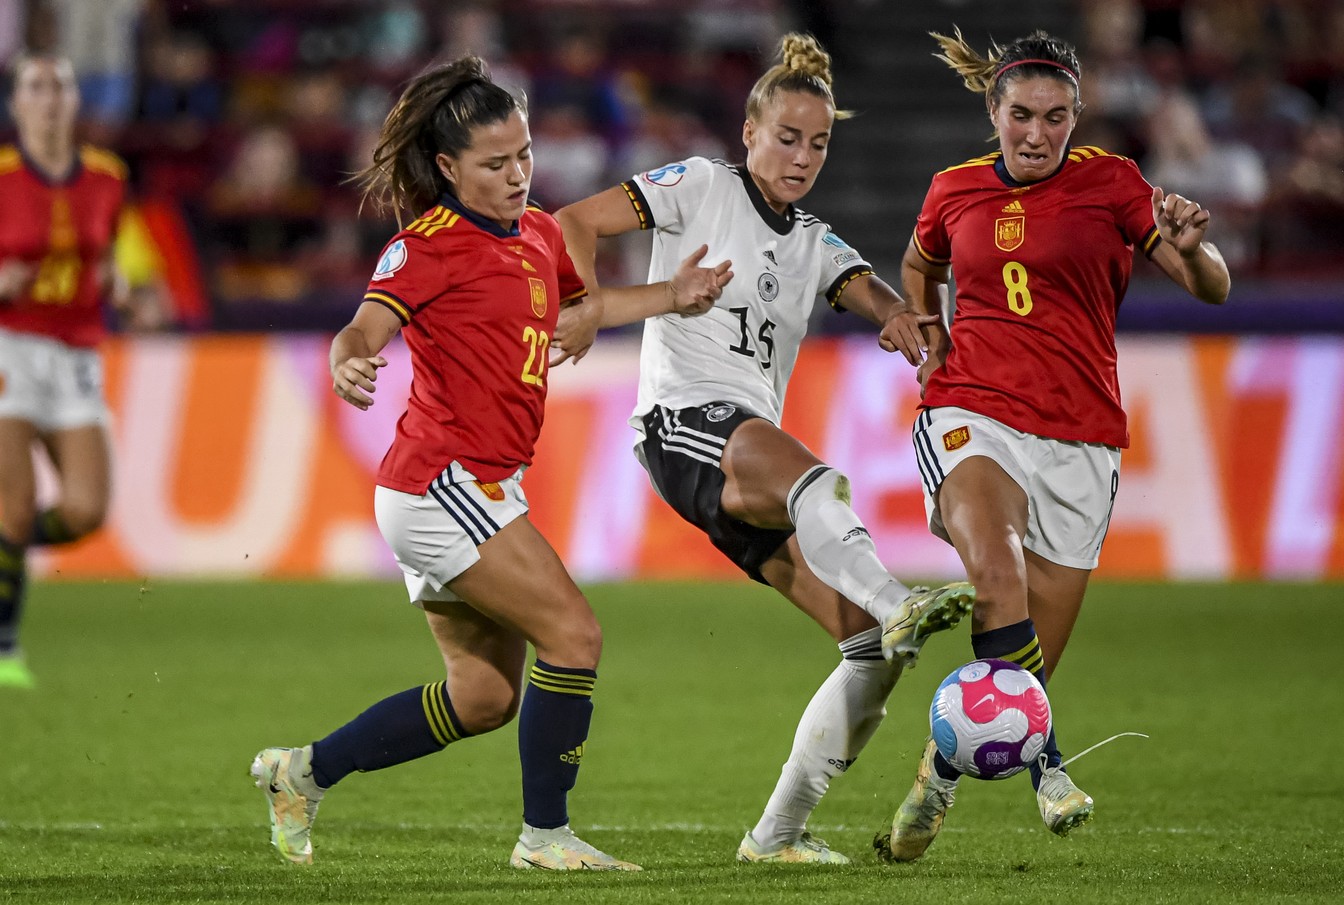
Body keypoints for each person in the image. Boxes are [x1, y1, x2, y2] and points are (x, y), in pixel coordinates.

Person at [247, 56, 720, 872]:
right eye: (495, 164)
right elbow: (363, 327)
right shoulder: (426, 247)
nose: (517, 176)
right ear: (447, 168)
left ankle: (302, 772)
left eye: (525, 156)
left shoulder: (538, 233)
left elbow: (585, 310)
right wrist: (347, 358)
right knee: (574, 633)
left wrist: (671, 297)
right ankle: (545, 837)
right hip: (440, 483)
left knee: (484, 698)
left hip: (478, 485)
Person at [555, 33, 976, 865]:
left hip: (741, 453)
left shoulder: (812, 238)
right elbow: (574, 219)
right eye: (787, 137)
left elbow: (863, 283)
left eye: (818, 143)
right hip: (682, 423)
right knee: (817, 482)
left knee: (872, 651)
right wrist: (583, 304)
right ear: (749, 133)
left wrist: (896, 314)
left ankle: (777, 834)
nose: (803, 156)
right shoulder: (703, 184)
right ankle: (896, 593)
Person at [873, 28, 1231, 863]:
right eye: (1023, 116)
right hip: (972, 412)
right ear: (994, 110)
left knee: (1023, 673)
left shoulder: (1112, 183)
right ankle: (1053, 771)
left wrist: (1192, 247)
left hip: (1082, 439)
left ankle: (938, 775)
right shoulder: (952, 189)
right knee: (996, 573)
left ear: (1077, 116)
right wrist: (924, 327)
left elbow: (1213, 287)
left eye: (1057, 118)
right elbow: (917, 260)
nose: (1038, 134)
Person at [0, 52, 136, 689]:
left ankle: (5, 553)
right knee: (14, 501)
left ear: (76, 100)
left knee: (85, 510)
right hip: (10, 343)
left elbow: (110, 256)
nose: (50, 97)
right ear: (17, 103)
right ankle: (4, 649)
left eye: (60, 85)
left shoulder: (108, 177)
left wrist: (119, 283)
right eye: (36, 86)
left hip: (78, 349)